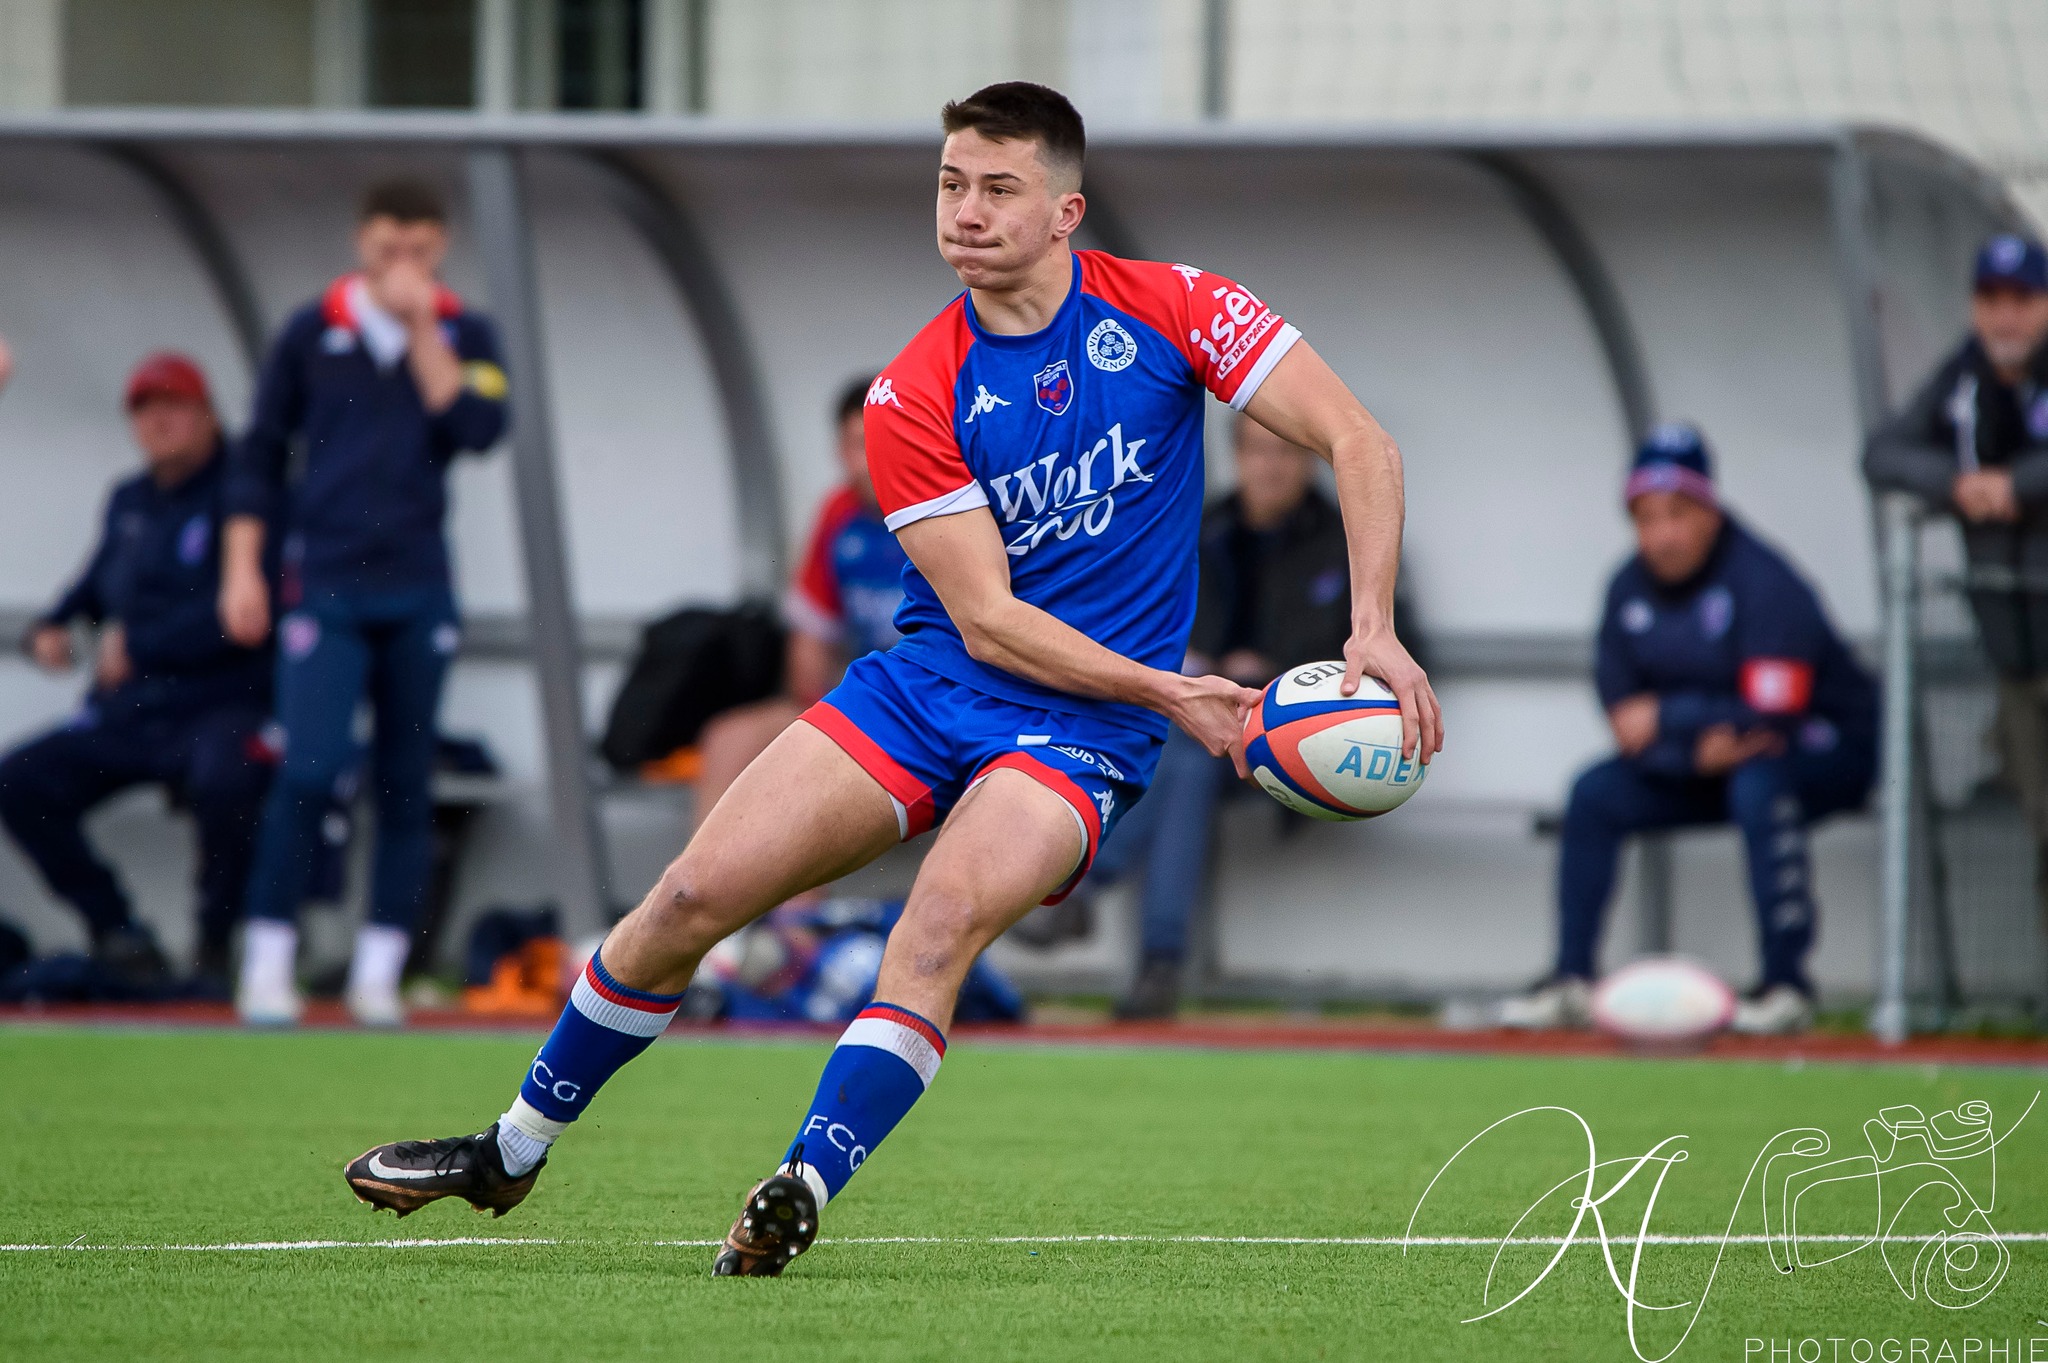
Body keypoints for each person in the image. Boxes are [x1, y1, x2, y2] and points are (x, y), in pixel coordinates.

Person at [343, 81, 1437, 1277]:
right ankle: (508, 1148)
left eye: (997, 187)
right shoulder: (913, 390)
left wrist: (1369, 627)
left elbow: (1355, 439)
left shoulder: (1176, 309)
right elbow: (987, 618)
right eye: (949, 184)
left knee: (936, 925)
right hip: (933, 686)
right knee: (686, 903)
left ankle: (799, 1182)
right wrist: (1171, 690)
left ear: (1065, 209)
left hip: (1078, 733)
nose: (964, 211)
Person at [222, 178, 508, 1027]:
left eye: (420, 250)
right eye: (389, 249)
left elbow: (478, 428)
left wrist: (422, 326)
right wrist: (243, 569)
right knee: (308, 768)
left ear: (442, 247)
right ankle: (269, 956)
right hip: (328, 581)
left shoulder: (465, 329)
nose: (404, 266)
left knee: (407, 775)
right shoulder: (313, 331)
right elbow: (260, 454)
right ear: (361, 243)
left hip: (419, 584)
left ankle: (380, 968)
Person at [1501, 424, 1878, 1035]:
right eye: (1646, 517)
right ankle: (1571, 980)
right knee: (1594, 792)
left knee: (1759, 778)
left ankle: (1786, 988)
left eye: (1678, 512)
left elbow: (1772, 713)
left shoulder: (1765, 582)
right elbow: (1625, 721)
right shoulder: (1626, 587)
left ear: (1709, 509)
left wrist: (1672, 719)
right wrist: (1693, 746)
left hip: (1824, 751)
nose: (1663, 533)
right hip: (1694, 763)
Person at [0, 353, 275, 991]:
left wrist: (138, 643)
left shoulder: (245, 495)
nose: (160, 423)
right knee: (20, 780)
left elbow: (239, 616)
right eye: (146, 410)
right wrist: (51, 630)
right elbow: (93, 592)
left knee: (228, 777)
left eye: (175, 406)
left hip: (219, 701)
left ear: (208, 415)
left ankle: (215, 942)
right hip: (138, 709)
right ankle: (118, 929)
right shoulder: (130, 501)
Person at [1068, 412, 1353, 1019]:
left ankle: (1090, 882)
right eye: (1258, 452)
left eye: (1286, 453)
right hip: (1200, 725)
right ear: (1238, 457)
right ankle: (1160, 963)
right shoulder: (1205, 529)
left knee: (1186, 757)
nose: (1271, 467)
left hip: (1301, 733)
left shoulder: (1343, 541)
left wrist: (1277, 677)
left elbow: (1381, 653)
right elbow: (1152, 629)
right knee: (1188, 756)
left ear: (1308, 461)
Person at [1864, 232, 2048, 956]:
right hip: (2015, 656)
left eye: (2023, 301)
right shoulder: (1966, 379)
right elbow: (1882, 452)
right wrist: (1955, 484)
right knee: (2042, 819)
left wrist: (2018, 486)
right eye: (1991, 301)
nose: (2006, 318)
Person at [688, 376, 909, 828]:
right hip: (863, 701)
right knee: (730, 739)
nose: (867, 461)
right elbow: (811, 638)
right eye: (855, 445)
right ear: (839, 452)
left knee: (817, 770)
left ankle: (802, 901)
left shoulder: (944, 507)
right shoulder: (838, 514)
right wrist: (818, 713)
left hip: (936, 704)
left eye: (880, 442)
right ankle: (712, 896)